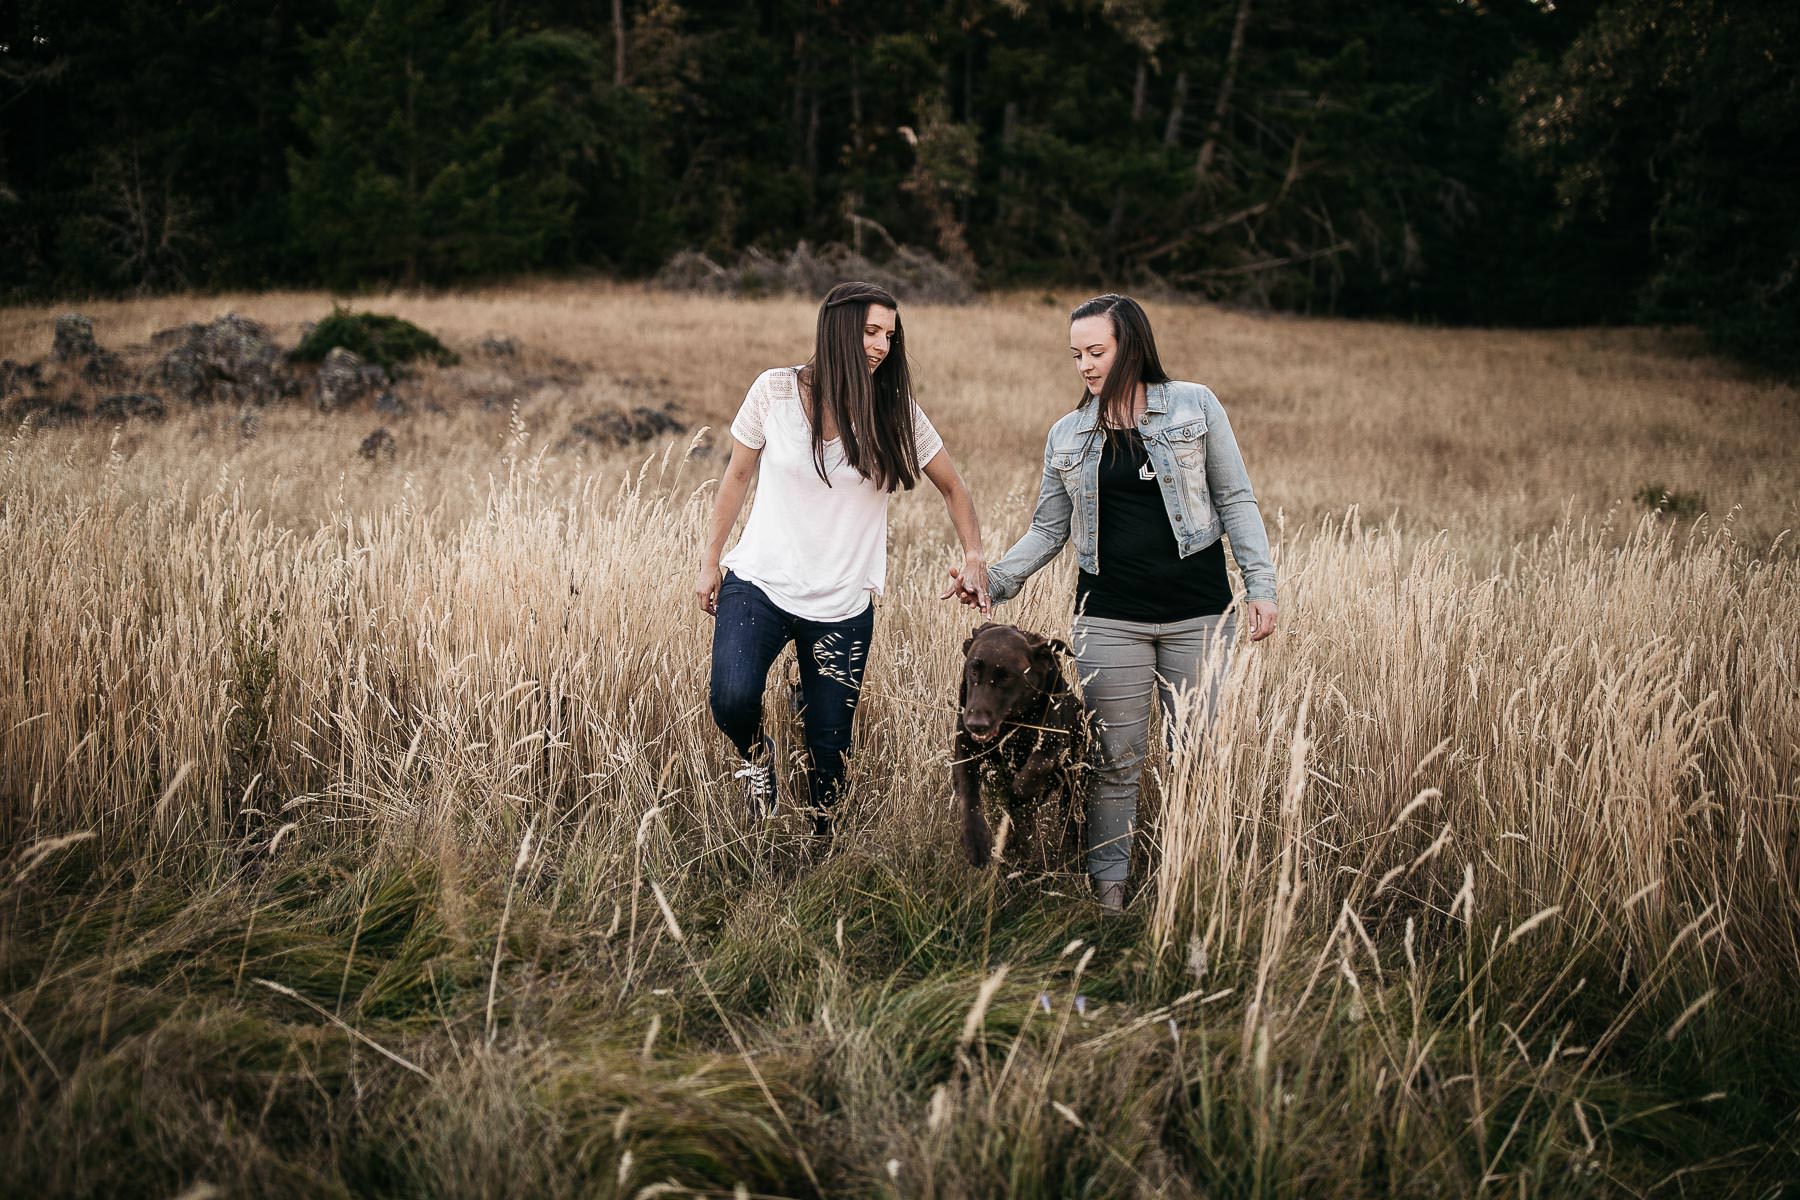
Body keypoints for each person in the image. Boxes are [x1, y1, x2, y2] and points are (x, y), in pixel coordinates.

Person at [946, 294, 1277, 909]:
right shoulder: (1068, 435)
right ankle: (1109, 895)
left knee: (1199, 758)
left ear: (1131, 346)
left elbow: (1236, 500)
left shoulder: (1194, 407)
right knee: (1114, 761)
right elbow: (1050, 529)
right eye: (1076, 355)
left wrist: (1261, 585)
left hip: (1199, 613)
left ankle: (1198, 887)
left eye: (1097, 352)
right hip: (1108, 618)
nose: (1086, 366)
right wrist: (992, 579)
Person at [697, 281, 990, 837]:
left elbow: (953, 488)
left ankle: (820, 856)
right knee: (732, 697)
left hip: (842, 604)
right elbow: (737, 475)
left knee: (831, 762)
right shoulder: (775, 391)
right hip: (759, 582)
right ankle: (758, 759)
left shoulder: (894, 410)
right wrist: (711, 560)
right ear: (837, 330)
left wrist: (974, 557)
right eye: (870, 331)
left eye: (888, 335)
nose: (880, 345)